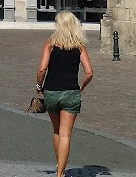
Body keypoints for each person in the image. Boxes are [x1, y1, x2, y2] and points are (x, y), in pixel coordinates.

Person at [36, 10, 93, 177]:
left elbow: (42, 69)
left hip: (51, 91)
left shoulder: (50, 43)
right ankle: (60, 173)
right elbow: (89, 72)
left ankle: (58, 167)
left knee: (56, 130)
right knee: (66, 134)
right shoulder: (79, 46)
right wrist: (81, 86)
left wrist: (39, 87)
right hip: (71, 92)